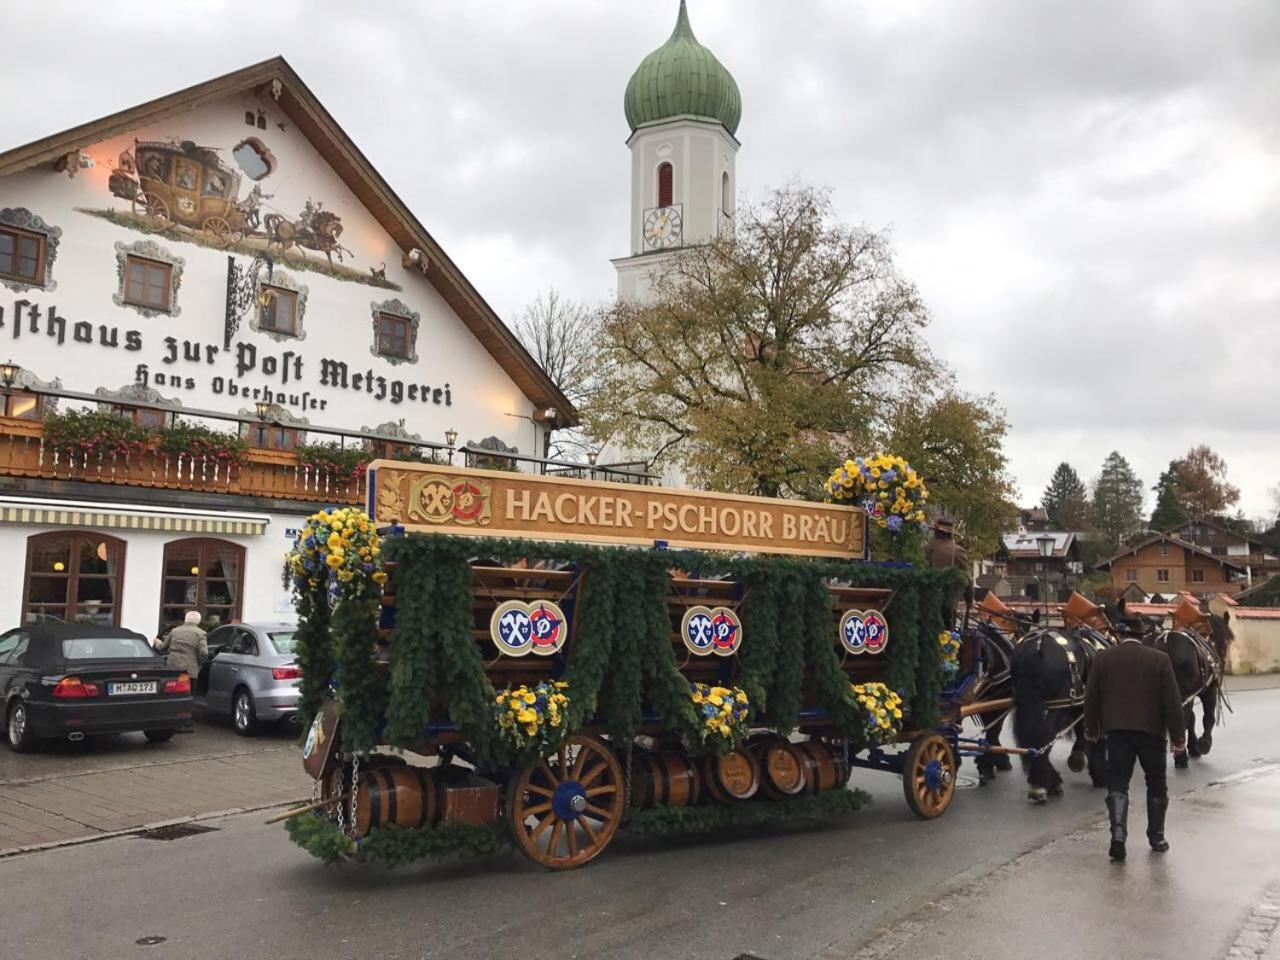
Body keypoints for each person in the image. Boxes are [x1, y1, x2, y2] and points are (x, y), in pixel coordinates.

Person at [1083, 623, 1187, 862]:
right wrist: (1178, 738)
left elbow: (1091, 698)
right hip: (1152, 732)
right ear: (1141, 636)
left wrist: (1091, 729)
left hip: (1117, 731)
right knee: (1156, 783)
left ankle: (1118, 836)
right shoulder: (1159, 659)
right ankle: (1157, 837)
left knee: (1118, 782)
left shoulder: (1103, 658)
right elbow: (1172, 701)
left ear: (1119, 635)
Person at [154, 610, 208, 681]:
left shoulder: (175, 631)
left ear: (185, 620)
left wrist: (157, 641)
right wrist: (199, 663)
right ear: (199, 621)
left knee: (172, 690)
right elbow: (204, 653)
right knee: (187, 691)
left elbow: (162, 647)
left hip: (172, 668)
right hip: (189, 670)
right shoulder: (201, 633)